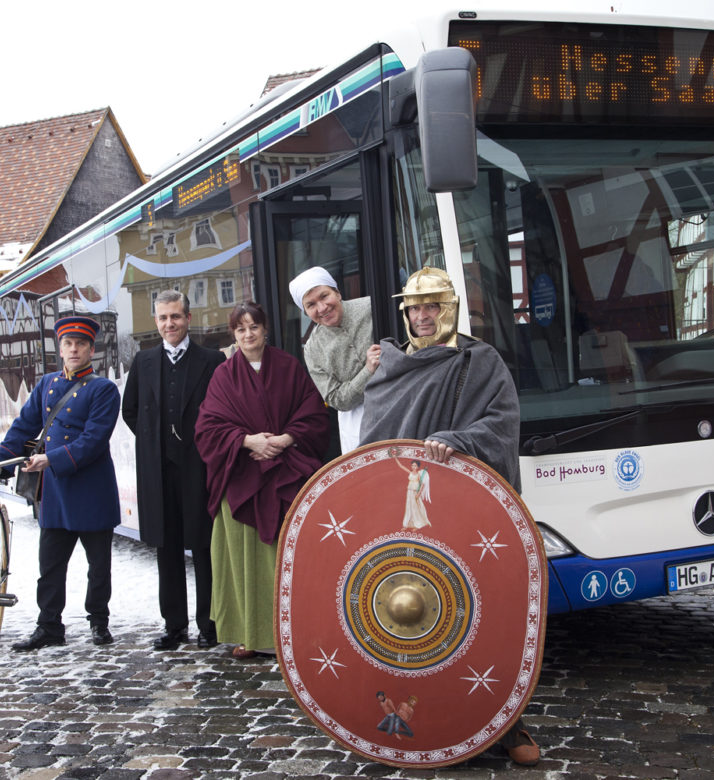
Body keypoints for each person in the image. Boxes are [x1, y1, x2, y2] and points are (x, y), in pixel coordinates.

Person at [359, 266, 538, 766]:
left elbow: (502, 425)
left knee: (478, 615)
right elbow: (372, 448)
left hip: (464, 515)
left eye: (431, 306)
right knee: (402, 613)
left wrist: (459, 441)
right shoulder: (389, 366)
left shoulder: (478, 362)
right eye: (414, 308)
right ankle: (402, 723)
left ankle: (505, 724)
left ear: (449, 308)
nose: (422, 316)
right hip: (399, 520)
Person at [194, 301, 329, 658]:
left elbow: (313, 413)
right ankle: (248, 633)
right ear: (233, 334)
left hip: (286, 473)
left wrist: (286, 439)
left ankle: (294, 632)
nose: (248, 334)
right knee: (242, 562)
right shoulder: (223, 375)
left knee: (289, 555)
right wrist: (245, 440)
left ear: (265, 329)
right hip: (241, 479)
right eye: (240, 329)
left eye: (254, 327)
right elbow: (207, 428)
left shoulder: (288, 366)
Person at [0, 315, 121, 651]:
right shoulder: (47, 384)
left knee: (99, 567)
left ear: (91, 349)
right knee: (49, 566)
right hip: (56, 493)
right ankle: (49, 625)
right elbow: (23, 427)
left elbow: (93, 440)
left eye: (81, 344)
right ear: (60, 349)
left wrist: (51, 459)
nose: (74, 349)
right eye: (68, 344)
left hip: (92, 489)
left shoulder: (103, 389)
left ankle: (98, 621)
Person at [121, 290, 226, 651]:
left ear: (188, 318)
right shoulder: (143, 362)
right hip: (158, 471)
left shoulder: (211, 360)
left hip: (198, 469)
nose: (170, 324)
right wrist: (156, 441)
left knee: (203, 546)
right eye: (163, 318)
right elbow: (130, 411)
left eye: (176, 317)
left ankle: (209, 624)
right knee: (165, 550)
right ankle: (174, 626)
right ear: (156, 322)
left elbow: (221, 409)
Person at [288, 266, 380, 453]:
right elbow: (336, 399)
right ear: (305, 312)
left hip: (401, 404)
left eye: (324, 296)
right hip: (357, 424)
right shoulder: (313, 349)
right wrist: (368, 371)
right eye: (311, 305)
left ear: (337, 292)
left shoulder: (373, 307)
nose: (322, 308)